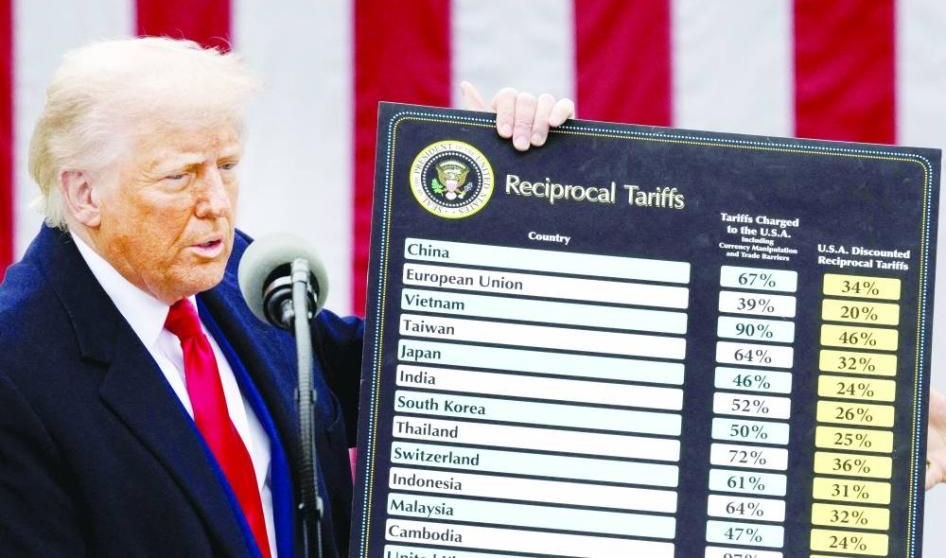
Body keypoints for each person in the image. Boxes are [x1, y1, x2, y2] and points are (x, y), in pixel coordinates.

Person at [0, 37, 575, 557]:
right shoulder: (17, 368)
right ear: (85, 194)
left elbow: (411, 380)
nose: (217, 203)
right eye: (179, 177)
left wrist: (508, 194)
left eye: (227, 166)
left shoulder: (241, 275)